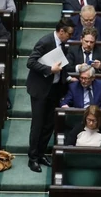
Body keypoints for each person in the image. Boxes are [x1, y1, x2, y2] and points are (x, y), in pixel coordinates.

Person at [26, 19, 75, 173]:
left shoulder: (63, 44)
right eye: (69, 34)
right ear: (61, 31)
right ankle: (33, 158)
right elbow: (30, 62)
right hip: (40, 90)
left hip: (54, 89)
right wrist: (49, 69)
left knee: (49, 124)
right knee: (38, 125)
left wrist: (67, 78)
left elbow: (62, 65)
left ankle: (41, 154)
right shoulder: (45, 42)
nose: (70, 37)